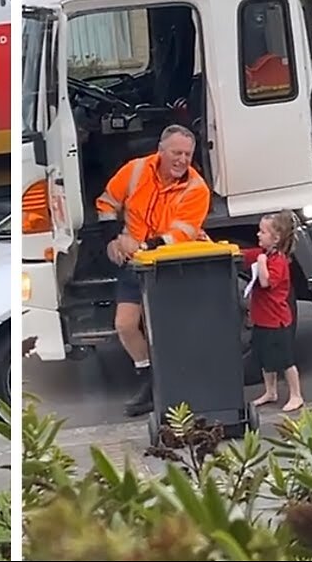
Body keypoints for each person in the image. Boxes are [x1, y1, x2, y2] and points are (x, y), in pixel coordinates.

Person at [95, 124, 211, 418]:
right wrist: (113, 239)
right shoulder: (135, 170)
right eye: (176, 152)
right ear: (160, 151)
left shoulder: (196, 189)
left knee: (167, 329)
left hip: (169, 265)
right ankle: (147, 377)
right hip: (135, 263)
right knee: (125, 324)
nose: (182, 160)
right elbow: (106, 202)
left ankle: (175, 387)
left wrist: (140, 244)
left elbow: (180, 234)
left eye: (187, 154)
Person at [243, 211, 304, 412]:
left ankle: (296, 394)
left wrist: (261, 264)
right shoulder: (264, 254)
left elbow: (265, 281)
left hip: (277, 321)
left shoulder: (278, 261)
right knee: (265, 358)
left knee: (286, 361)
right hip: (262, 320)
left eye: (263, 232)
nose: (258, 235)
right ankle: (270, 391)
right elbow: (243, 254)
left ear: (276, 238)